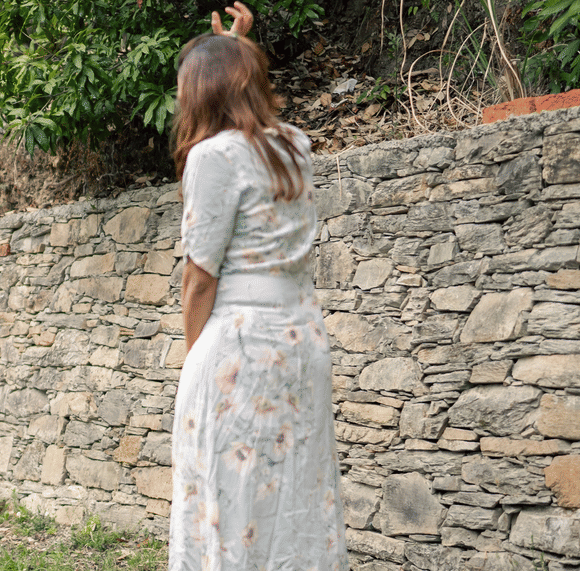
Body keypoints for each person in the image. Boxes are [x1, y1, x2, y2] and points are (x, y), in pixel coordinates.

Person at [169, 4, 349, 571]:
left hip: (240, 353)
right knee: (295, 497)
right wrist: (238, 50)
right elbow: (255, 122)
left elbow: (201, 278)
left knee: (230, 496)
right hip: (300, 343)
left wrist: (195, 360)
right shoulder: (295, 145)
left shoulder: (211, 156)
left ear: (198, 94)